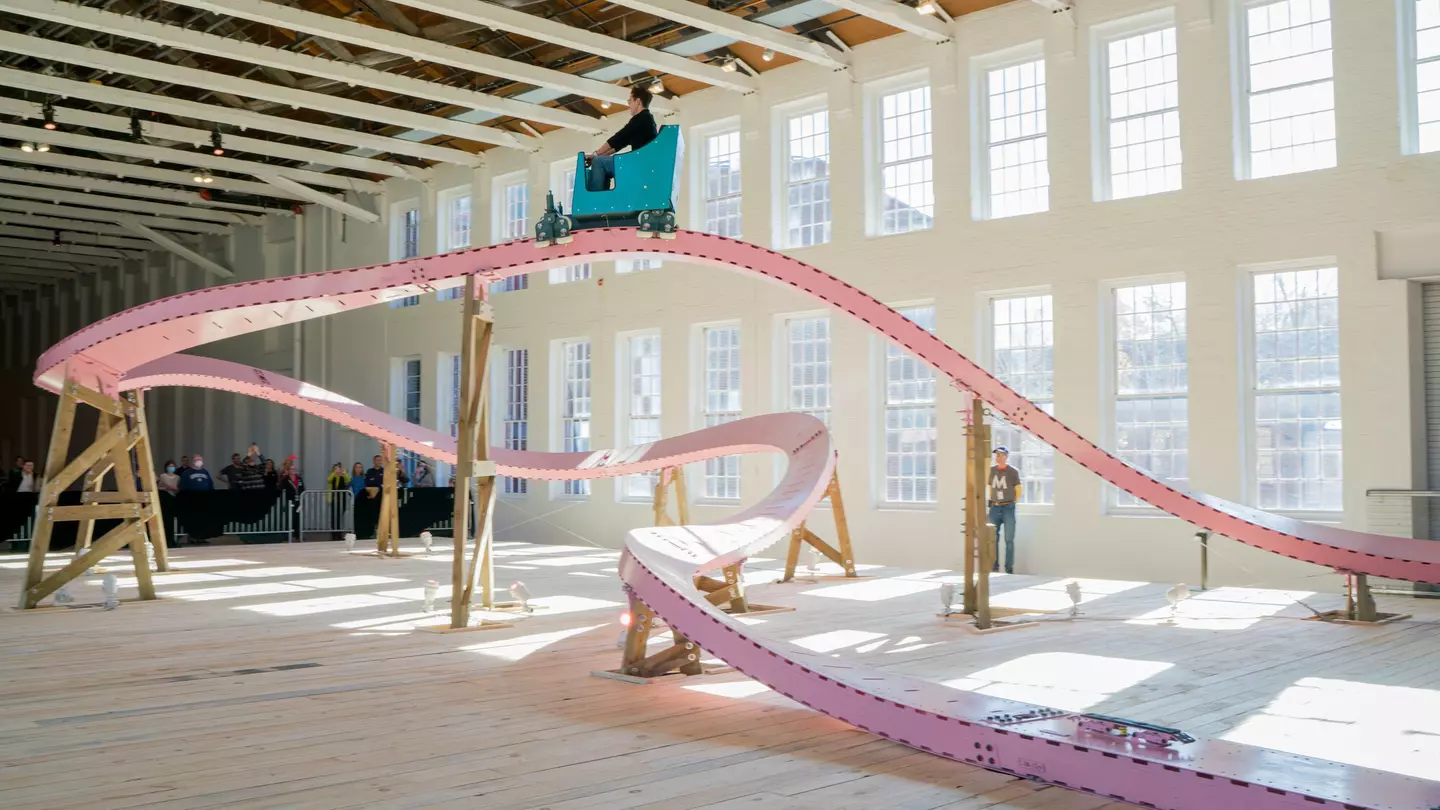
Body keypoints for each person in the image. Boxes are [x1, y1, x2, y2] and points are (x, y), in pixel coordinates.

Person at [584, 85, 658, 192]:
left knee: (599, 162)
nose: (629, 106)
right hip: (641, 162)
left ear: (638, 101)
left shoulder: (642, 118)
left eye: (630, 102)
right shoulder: (645, 119)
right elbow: (620, 143)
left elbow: (618, 138)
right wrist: (596, 156)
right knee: (599, 160)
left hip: (638, 164)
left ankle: (596, 198)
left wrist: (595, 155)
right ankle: (602, 197)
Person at [987, 446, 1022, 575]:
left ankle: (1009, 568)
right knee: (992, 538)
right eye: (997, 455)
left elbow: (1018, 489)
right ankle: (994, 566)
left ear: (1006, 457)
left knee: (1009, 539)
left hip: (1008, 507)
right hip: (995, 507)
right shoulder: (991, 471)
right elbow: (990, 487)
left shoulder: (1013, 472)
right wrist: (991, 500)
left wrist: (1012, 502)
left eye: (1001, 455)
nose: (998, 457)